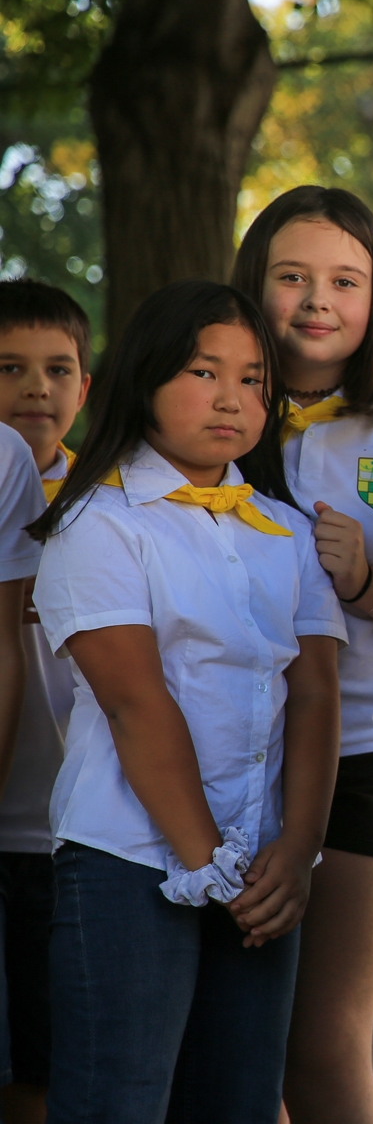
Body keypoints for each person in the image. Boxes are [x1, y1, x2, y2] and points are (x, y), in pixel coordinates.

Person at [32, 279, 344, 1123]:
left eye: (253, 380)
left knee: (239, 1103)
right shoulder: (99, 523)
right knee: (120, 1102)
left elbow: (315, 695)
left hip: (263, 870)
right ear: (146, 379)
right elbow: (136, 704)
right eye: (205, 373)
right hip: (131, 860)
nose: (231, 399)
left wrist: (298, 847)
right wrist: (207, 862)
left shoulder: (285, 533)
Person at [231, 185, 373, 1124]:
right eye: (292, 276)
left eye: (345, 281)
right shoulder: (209, 410)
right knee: (238, 1048)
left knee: (320, 1047)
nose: (318, 299)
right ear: (253, 284)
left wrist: (367, 580)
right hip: (225, 754)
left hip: (365, 749)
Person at [0, 279, 89, 1124]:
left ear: (85, 387)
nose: (36, 388)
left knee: (42, 1065)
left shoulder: (108, 501)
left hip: (62, 831)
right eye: (10, 368)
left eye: (57, 369)